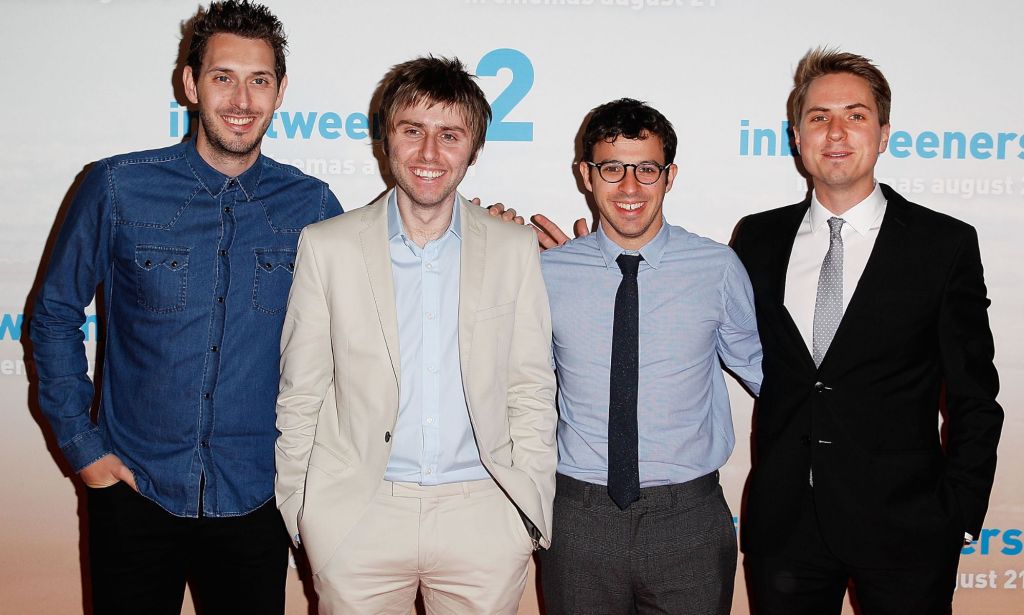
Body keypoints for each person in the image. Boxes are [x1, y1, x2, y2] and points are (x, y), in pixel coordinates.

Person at [29, 2, 341, 613]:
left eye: (260, 80)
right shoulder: (117, 187)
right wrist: (84, 450)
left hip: (256, 498)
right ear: (190, 83)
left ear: (280, 92)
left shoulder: (311, 206)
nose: (241, 99)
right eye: (223, 77)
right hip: (135, 493)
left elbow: (362, 322)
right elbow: (54, 315)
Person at [274, 56, 557, 614]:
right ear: (386, 140)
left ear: (472, 149)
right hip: (358, 517)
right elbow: (301, 391)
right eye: (413, 131)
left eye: (450, 135)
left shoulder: (513, 247)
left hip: (485, 515)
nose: (430, 155)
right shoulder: (326, 246)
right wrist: (304, 510)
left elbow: (530, 386)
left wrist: (527, 509)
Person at [730, 48, 1003, 614]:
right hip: (785, 531)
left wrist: (958, 513)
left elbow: (976, 396)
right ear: (796, 135)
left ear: (882, 135)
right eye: (818, 116)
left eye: (855, 116)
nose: (835, 132)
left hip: (908, 530)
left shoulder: (942, 244)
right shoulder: (755, 240)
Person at [537, 98, 762, 614]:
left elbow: (767, 372)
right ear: (585, 175)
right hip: (578, 517)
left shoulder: (717, 268)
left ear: (670, 175)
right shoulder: (547, 274)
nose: (631, 187)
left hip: (689, 521)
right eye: (612, 168)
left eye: (647, 169)